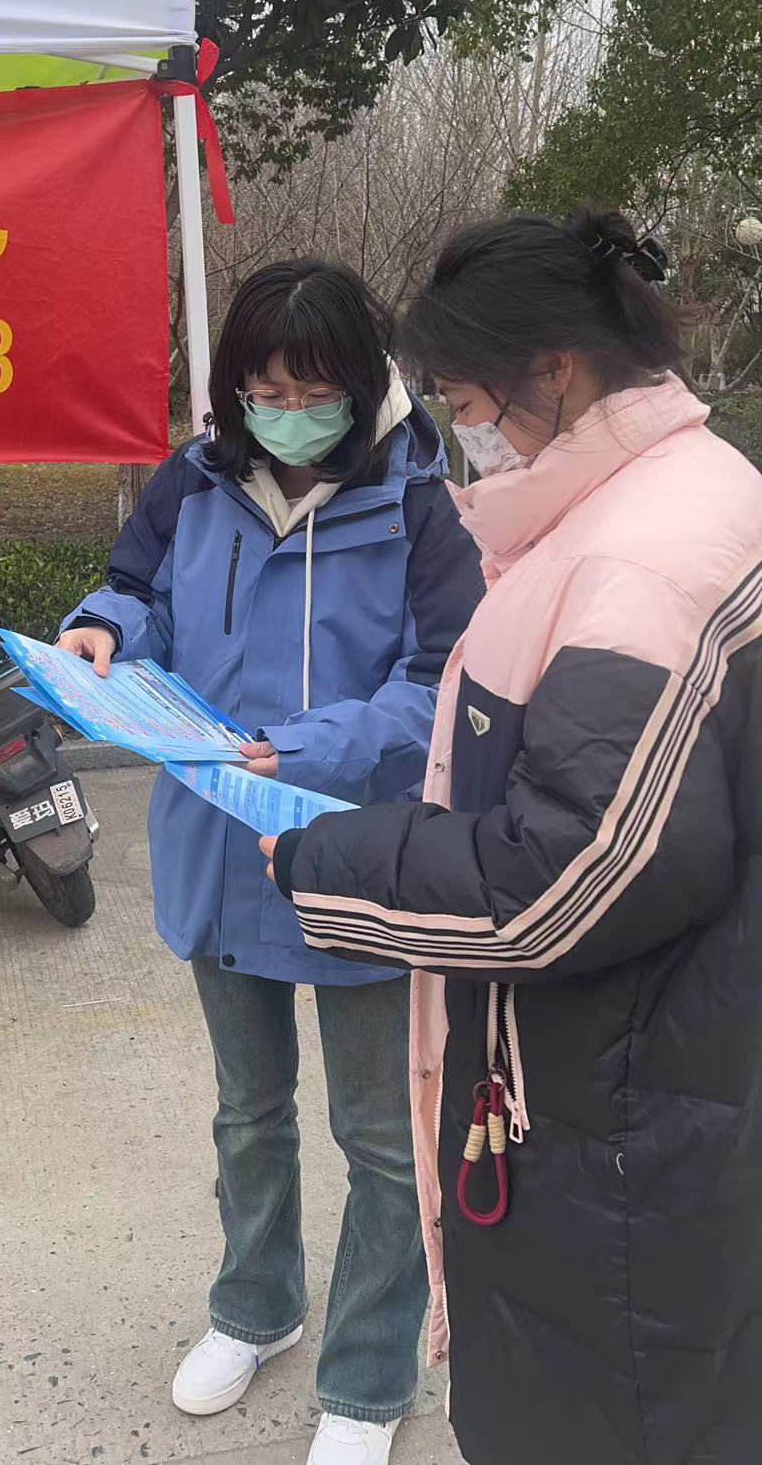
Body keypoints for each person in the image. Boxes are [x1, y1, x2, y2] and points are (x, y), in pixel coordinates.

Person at [260, 208, 762, 1465]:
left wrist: (327, 859)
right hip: (654, 1070)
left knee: (605, 1410)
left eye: (467, 403)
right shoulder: (669, 497)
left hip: (615, 1115)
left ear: (556, 369)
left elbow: (565, 876)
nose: (462, 433)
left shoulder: (637, 560)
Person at [58, 259, 482, 1465]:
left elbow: (440, 681)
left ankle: (369, 1375)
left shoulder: (421, 504)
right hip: (217, 838)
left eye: (312, 390)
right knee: (247, 1110)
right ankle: (255, 1306)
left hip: (357, 848)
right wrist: (100, 631)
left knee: (383, 1136)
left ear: (363, 381)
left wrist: (300, 747)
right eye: (262, 390)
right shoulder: (194, 479)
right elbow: (135, 591)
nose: (285, 413)